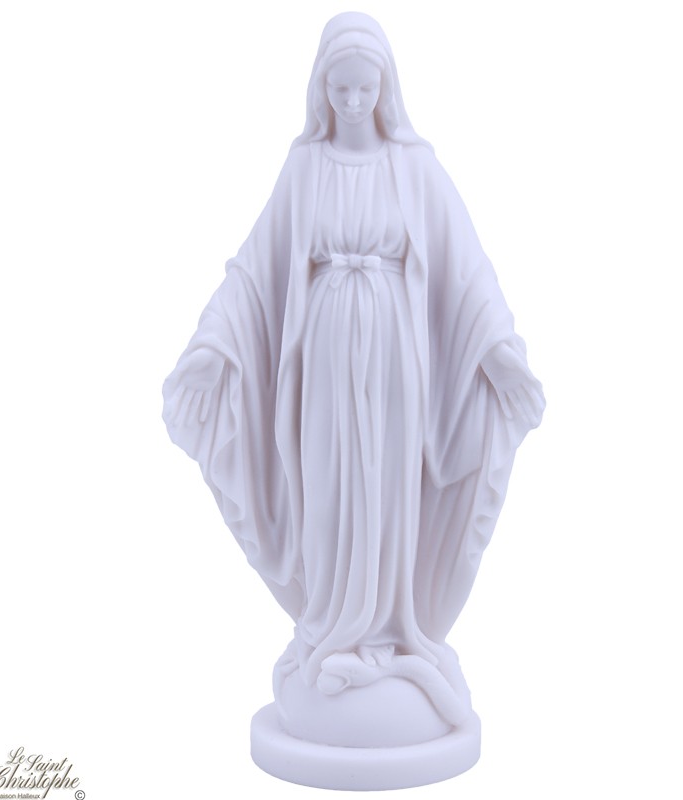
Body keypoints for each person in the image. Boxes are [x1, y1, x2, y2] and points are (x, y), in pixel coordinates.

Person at [163, 12, 543, 726]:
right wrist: (213, 346)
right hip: (326, 359)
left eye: (366, 88)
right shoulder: (305, 168)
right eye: (340, 89)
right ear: (321, 89)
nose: (354, 102)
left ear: (386, 88)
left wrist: (497, 351)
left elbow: (466, 269)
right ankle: (332, 627)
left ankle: (390, 630)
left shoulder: (415, 167)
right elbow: (255, 271)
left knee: (389, 486)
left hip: (397, 356)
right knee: (331, 486)